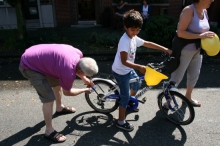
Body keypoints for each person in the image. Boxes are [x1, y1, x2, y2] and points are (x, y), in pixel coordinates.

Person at [19, 44, 98, 143]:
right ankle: (49, 131)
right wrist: (84, 90)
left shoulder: (78, 54)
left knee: (58, 83)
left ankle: (59, 107)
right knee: (48, 99)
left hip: (39, 56)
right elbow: (68, 92)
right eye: (86, 75)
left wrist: (84, 79)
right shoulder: (68, 73)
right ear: (81, 72)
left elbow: (78, 68)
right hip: (30, 65)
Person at [112, 10, 172, 132]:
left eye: (138, 30)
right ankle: (120, 122)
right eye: (132, 30)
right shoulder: (124, 41)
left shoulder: (133, 38)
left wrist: (165, 49)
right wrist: (139, 67)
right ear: (126, 27)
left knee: (137, 83)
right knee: (124, 96)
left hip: (128, 69)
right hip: (121, 71)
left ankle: (128, 103)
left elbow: (147, 43)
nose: (135, 32)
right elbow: (124, 61)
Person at [168, 0, 215, 107]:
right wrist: (200, 36)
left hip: (198, 49)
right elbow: (180, 32)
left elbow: (203, 31)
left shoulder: (205, 11)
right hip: (185, 49)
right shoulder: (189, 10)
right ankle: (168, 100)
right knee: (177, 76)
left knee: (194, 74)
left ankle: (188, 97)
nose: (212, 0)